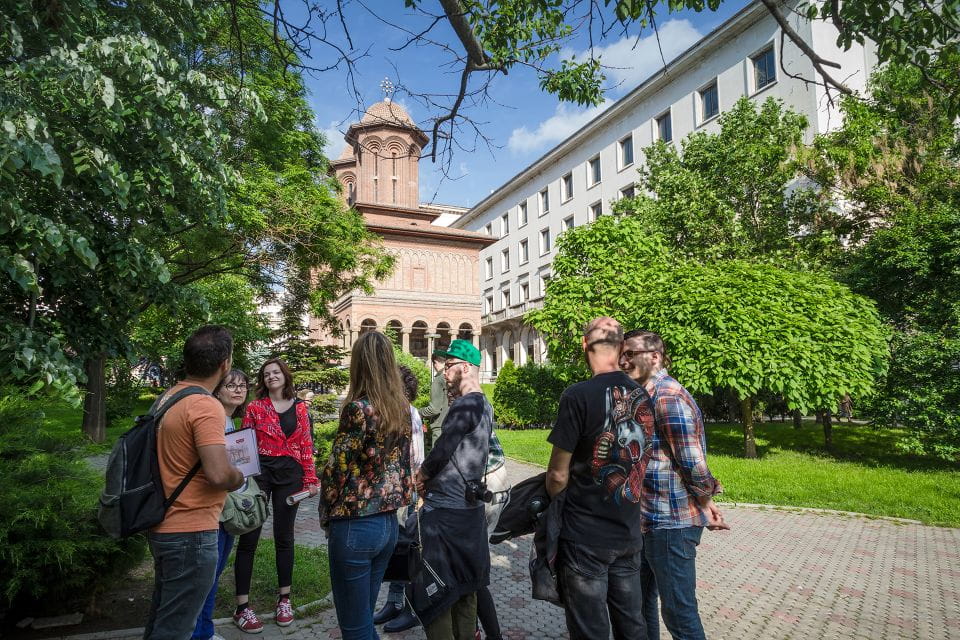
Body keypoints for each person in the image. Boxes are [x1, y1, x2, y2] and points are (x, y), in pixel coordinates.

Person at [545, 317, 653, 640]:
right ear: (622, 349)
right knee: (633, 626)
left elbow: (556, 473)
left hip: (585, 537)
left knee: (590, 631)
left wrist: (554, 500)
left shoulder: (577, 396)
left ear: (583, 345)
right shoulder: (643, 396)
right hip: (628, 532)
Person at [620, 329, 728, 640]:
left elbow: (692, 462)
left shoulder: (667, 397)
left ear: (654, 357)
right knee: (638, 607)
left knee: (679, 613)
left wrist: (706, 501)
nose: (623, 360)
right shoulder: (645, 395)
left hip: (670, 524)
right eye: (622, 354)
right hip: (647, 519)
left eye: (631, 353)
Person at [144, 325, 245, 640]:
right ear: (224, 364)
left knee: (163, 621)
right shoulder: (205, 405)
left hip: (163, 522)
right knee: (176, 630)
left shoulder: (169, 397)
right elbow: (218, 474)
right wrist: (238, 474)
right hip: (191, 530)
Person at [320, 331, 414, 640]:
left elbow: (336, 471)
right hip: (387, 525)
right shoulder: (401, 409)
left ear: (360, 364)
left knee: (355, 627)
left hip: (355, 525)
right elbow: (404, 466)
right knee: (362, 621)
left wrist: (325, 515)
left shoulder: (358, 409)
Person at [233, 358, 319, 632]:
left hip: (290, 477)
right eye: (266, 374)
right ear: (263, 380)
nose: (271, 376)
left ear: (285, 375)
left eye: (276, 372)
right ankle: (242, 607)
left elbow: (306, 444)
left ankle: (284, 599)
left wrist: (310, 478)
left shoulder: (301, 408)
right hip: (260, 474)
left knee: (285, 536)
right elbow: (244, 443)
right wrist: (241, 480)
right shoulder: (255, 408)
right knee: (249, 536)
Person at [413, 339, 491, 640]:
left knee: (438, 590)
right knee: (466, 586)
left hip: (447, 510)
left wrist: (421, 474)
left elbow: (444, 446)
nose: (444, 374)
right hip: (469, 509)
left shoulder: (467, 403)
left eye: (449, 367)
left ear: (466, 367)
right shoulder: (485, 403)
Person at [192, 369, 250, 640]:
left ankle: (205, 629)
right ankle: (200, 633)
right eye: (231, 385)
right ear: (218, 389)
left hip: (223, 507)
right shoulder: (216, 418)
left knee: (212, 576)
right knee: (207, 577)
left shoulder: (228, 419)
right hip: (213, 510)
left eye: (243, 386)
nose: (238, 390)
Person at [377, 365, 427, 634]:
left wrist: (415, 494)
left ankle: (410, 607)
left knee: (407, 550)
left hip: (407, 491)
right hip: (387, 493)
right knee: (396, 550)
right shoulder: (383, 412)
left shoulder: (410, 413)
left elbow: (417, 457)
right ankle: (394, 602)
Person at [418, 350, 449, 453]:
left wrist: (418, 412)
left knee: (438, 464)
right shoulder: (451, 377)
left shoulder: (439, 379)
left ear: (435, 362)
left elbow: (434, 409)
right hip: (452, 425)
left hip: (440, 428)